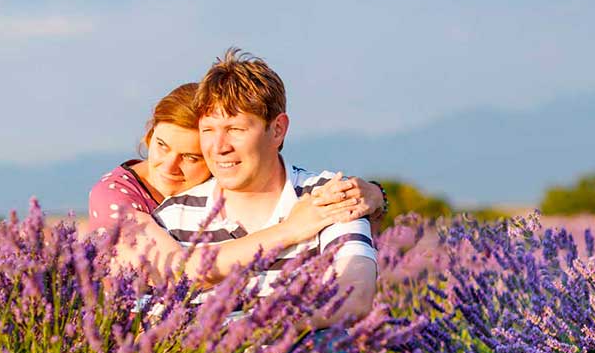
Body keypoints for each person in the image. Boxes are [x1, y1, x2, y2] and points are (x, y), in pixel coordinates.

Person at [153, 49, 377, 328]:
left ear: (278, 129)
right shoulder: (173, 217)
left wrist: (262, 333)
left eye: (236, 129)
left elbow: (355, 294)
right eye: (209, 130)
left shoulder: (325, 195)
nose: (220, 147)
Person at [87, 83, 385, 286]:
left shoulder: (223, 179)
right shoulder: (115, 196)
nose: (169, 166)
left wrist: (373, 193)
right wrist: (291, 230)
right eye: (162, 146)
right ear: (149, 136)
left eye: (191, 157)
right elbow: (178, 271)